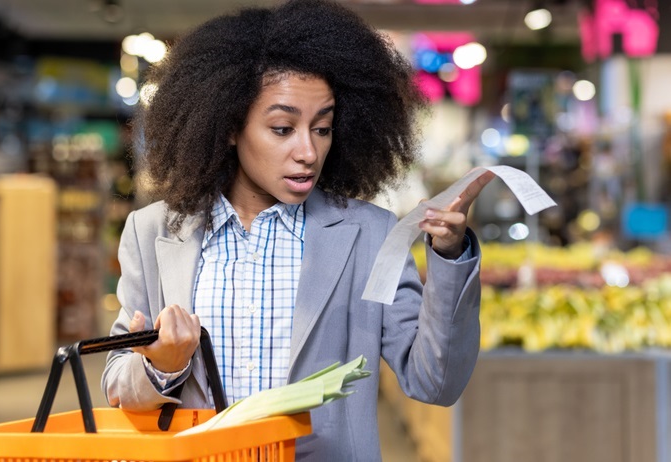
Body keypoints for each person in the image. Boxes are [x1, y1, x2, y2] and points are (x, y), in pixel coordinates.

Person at [101, 0, 494, 460]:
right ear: (229, 126)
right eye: (283, 128)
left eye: (322, 129)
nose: (308, 150)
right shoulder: (153, 232)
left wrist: (448, 256)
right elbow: (115, 380)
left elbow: (434, 381)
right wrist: (160, 369)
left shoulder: (369, 236)